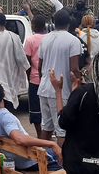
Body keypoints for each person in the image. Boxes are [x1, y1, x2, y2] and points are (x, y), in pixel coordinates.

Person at [38, 9, 81, 145]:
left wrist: (45, 79)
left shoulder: (45, 39)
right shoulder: (73, 41)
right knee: (62, 130)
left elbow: (40, 66)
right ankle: (63, 162)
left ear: (53, 22)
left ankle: (42, 160)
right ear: (69, 23)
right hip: (61, 91)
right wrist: (80, 81)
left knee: (46, 127)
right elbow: (74, 69)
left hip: (44, 88)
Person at [0, 13, 30, 110]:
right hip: (9, 78)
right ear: (5, 23)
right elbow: (22, 59)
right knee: (7, 108)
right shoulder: (14, 37)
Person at [24, 15, 47, 138]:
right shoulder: (50, 38)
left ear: (33, 26)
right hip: (49, 80)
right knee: (48, 110)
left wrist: (29, 77)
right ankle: (48, 134)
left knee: (36, 111)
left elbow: (27, 62)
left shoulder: (30, 40)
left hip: (35, 80)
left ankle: (40, 136)